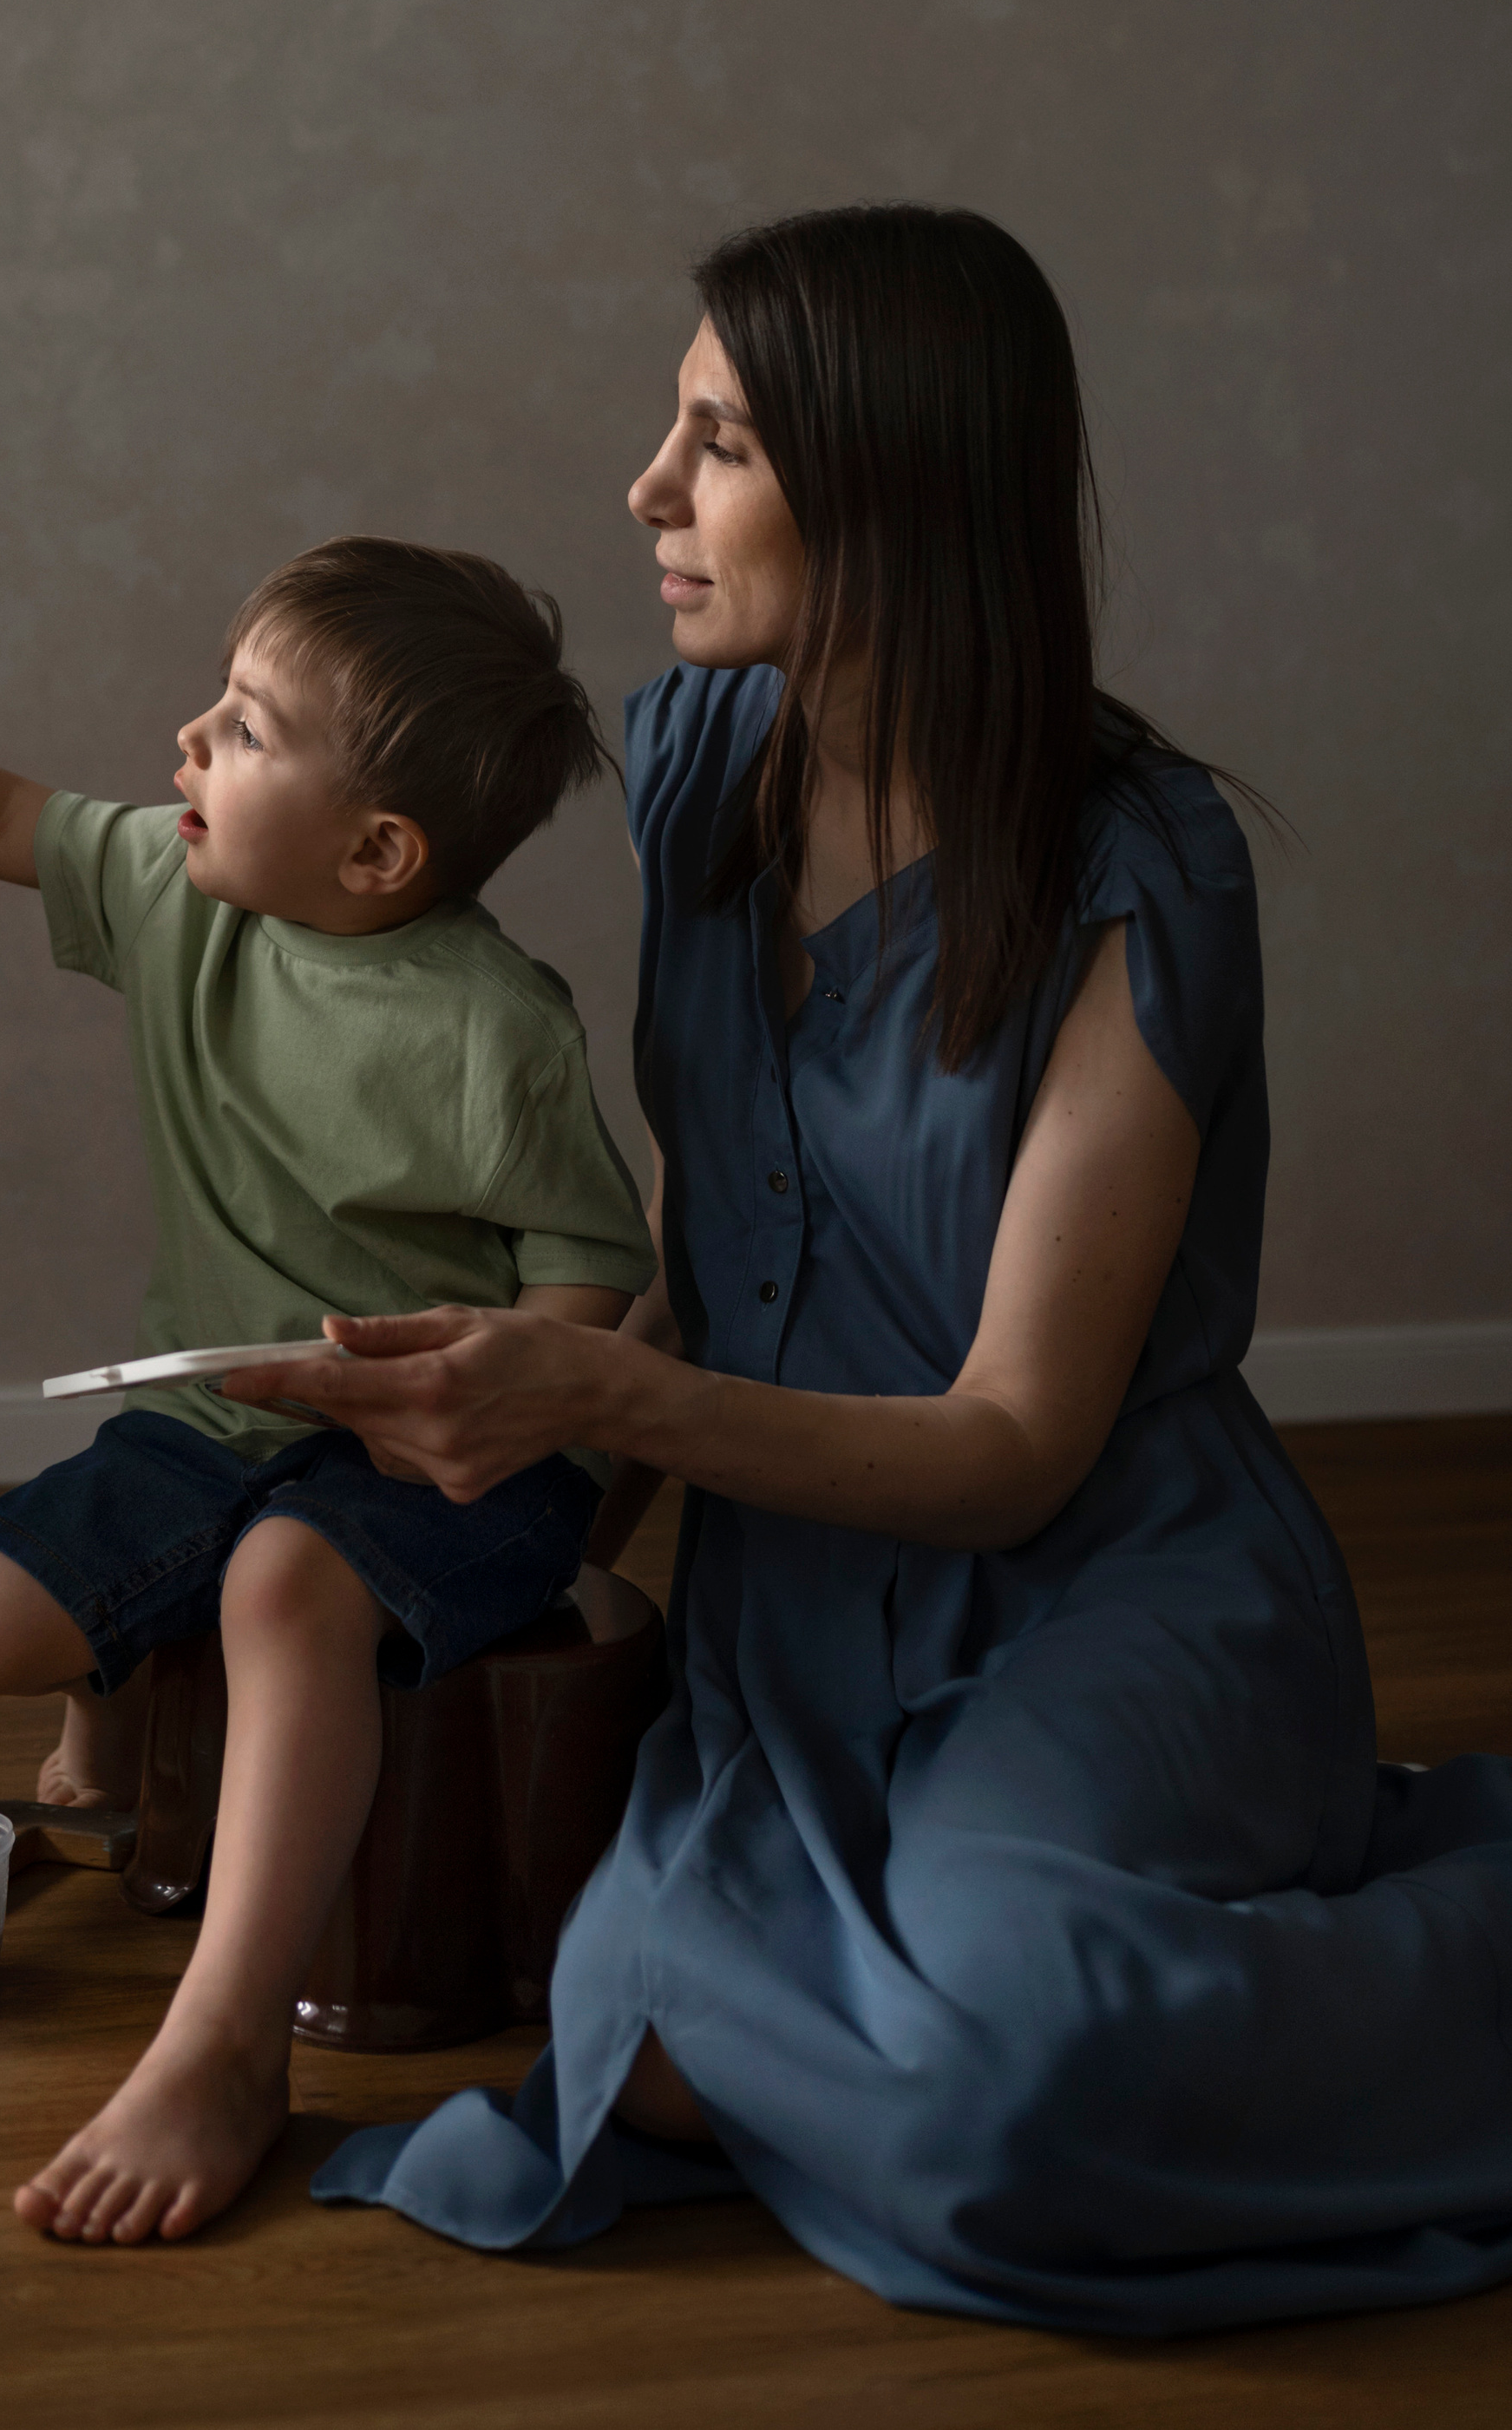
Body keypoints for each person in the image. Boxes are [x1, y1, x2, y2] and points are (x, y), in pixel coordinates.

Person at [226, 209, 1512, 2336]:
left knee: (1020, 2083)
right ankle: (963, 2002)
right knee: (634, 2070)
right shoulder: (684, 762)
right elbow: (713, 1220)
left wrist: (605, 1405)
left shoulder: (1139, 863)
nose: (647, 487)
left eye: (714, 440)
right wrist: (515, 1411)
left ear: (894, 487)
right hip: (790, 1610)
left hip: (1102, 1586)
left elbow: (1011, 1446)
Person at [0, 535, 655, 2246]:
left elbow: (584, 1271)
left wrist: (484, 1394)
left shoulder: (495, 1029)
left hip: (440, 1450)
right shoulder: (178, 894)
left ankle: (225, 2045)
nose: (186, 740)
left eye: (244, 729)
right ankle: (119, 1688)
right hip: (210, 1412)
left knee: (284, 1583)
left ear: (375, 849)